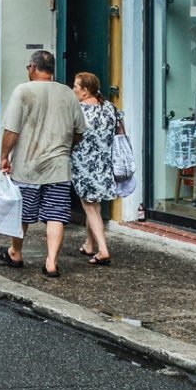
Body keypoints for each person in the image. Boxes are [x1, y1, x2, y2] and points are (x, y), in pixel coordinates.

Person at [0, 49, 86, 278]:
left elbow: (11, 130)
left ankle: (15, 252)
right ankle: (52, 262)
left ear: (33, 68)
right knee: (56, 215)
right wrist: (66, 149)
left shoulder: (23, 91)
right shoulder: (68, 93)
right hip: (58, 167)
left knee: (23, 214)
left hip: (28, 166)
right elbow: (79, 132)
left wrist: (4, 156)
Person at [71, 72, 117, 266]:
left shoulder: (79, 110)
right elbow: (120, 129)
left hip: (84, 163)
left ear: (85, 90)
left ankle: (103, 249)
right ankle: (89, 244)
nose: (73, 89)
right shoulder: (109, 107)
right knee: (95, 205)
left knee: (89, 207)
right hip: (104, 163)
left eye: (75, 86)